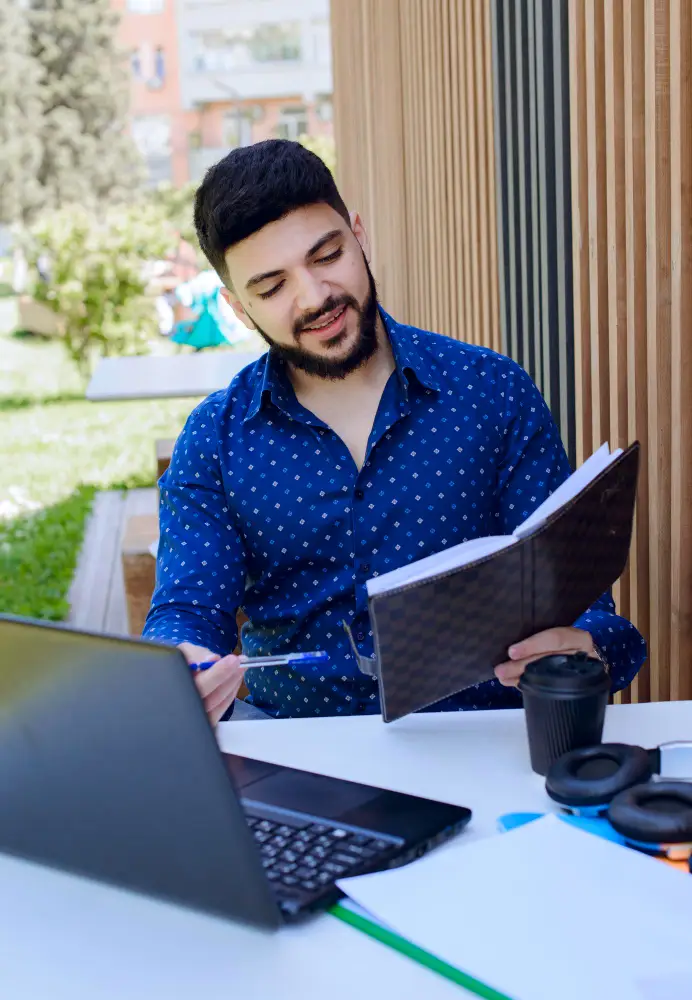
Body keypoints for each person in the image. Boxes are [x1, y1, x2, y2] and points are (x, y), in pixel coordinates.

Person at [142, 139, 646, 726]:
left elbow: (589, 612)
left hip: (480, 745)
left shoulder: (493, 392)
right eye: (273, 287)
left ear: (360, 235)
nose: (314, 297)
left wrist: (590, 648)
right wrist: (181, 666)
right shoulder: (213, 439)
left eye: (327, 255)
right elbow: (186, 611)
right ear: (237, 308)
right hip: (298, 755)